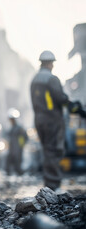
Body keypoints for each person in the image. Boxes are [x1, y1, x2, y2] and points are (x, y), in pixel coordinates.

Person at [30, 50, 83, 190]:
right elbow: (60, 98)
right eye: (52, 63)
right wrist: (72, 104)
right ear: (49, 63)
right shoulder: (51, 79)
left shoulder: (34, 80)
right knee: (54, 151)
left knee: (47, 150)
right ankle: (53, 185)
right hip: (52, 119)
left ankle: (49, 185)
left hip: (39, 119)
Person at [5, 108, 28, 176]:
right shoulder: (11, 128)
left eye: (11, 119)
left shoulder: (19, 128)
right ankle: (9, 175)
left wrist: (21, 145)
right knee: (8, 162)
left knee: (18, 164)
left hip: (17, 149)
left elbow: (25, 137)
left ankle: (20, 175)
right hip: (12, 149)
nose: (10, 121)